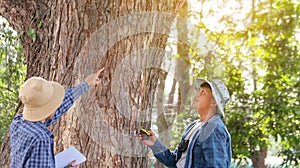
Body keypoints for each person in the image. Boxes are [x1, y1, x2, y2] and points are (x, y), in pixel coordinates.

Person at [9, 68, 104, 168]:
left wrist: (86, 84)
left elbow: (61, 105)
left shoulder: (18, 122)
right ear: (49, 112)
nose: (57, 105)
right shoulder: (41, 138)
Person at [139, 78, 232, 168]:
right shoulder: (194, 126)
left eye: (203, 92)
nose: (197, 95)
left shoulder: (213, 130)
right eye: (198, 91)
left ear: (213, 102)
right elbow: (175, 161)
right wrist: (154, 143)